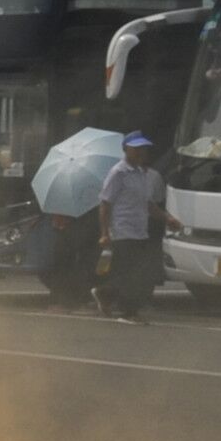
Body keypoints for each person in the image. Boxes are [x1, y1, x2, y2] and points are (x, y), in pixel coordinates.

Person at [98, 132, 168, 322]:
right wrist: (105, 233)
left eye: (143, 148)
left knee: (133, 272)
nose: (140, 152)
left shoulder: (143, 174)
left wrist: (167, 218)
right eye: (136, 148)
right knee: (130, 273)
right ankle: (127, 312)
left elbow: (149, 204)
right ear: (126, 150)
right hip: (123, 229)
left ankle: (104, 294)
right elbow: (105, 204)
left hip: (140, 230)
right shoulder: (118, 173)